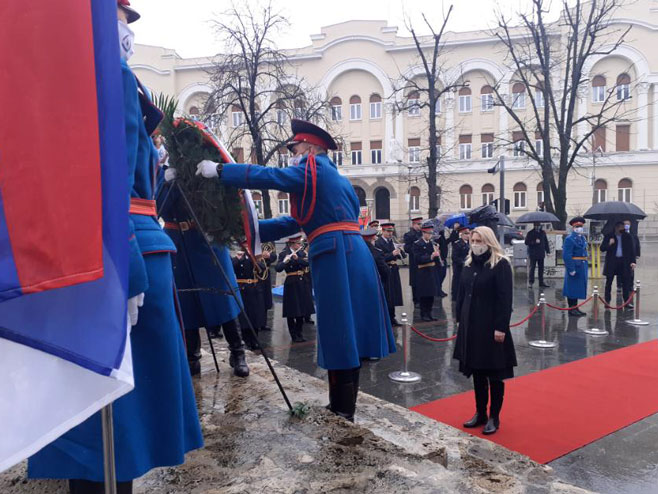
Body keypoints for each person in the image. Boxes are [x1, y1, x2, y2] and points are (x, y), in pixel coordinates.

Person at [28, 3, 203, 492]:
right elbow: (110, 183)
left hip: (87, 250)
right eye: (123, 18)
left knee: (94, 414)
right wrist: (124, 268)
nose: (128, 30)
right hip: (124, 254)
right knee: (119, 425)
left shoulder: (65, 81)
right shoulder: (114, 76)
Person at [196, 119, 395, 422]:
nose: (292, 152)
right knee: (342, 330)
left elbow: (272, 176)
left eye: (295, 147)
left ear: (312, 148)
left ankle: (343, 410)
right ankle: (340, 405)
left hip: (337, 253)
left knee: (339, 330)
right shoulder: (330, 178)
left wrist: (223, 171)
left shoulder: (315, 169)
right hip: (347, 253)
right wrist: (240, 230)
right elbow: (293, 223)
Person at [156, 170, 250, 377]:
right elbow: (158, 207)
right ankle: (192, 357)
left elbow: (224, 204)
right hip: (179, 241)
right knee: (186, 300)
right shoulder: (164, 173)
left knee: (224, 297)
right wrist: (166, 182)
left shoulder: (205, 165)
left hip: (208, 240)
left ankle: (238, 352)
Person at [454, 226, 516, 436]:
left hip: (491, 327)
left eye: (479, 241)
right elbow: (461, 294)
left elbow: (504, 299)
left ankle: (493, 416)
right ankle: (480, 412)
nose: (475, 244)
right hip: (471, 326)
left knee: (494, 374)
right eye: (473, 240)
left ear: (488, 241)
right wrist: (459, 319)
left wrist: (500, 328)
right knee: (478, 373)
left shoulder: (500, 265)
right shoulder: (469, 263)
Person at [276, 235, 315, 342]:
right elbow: (278, 269)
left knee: (302, 309)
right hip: (291, 283)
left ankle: (299, 333)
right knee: (292, 310)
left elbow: (308, 263)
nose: (300, 245)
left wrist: (297, 259)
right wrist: (285, 261)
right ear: (292, 244)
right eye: (298, 243)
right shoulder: (284, 253)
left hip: (302, 283)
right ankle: (293, 335)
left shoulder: (301, 253)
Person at [232, 247, 267, 350]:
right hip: (243, 289)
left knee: (255, 316)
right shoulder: (237, 258)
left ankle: (255, 340)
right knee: (244, 316)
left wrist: (253, 259)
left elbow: (262, 269)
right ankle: (246, 340)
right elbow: (233, 267)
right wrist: (239, 259)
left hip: (254, 289)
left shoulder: (255, 258)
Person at [600, 220, 636, 309]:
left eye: (623, 227)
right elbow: (602, 248)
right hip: (612, 262)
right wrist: (609, 243)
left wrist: (633, 261)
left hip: (624, 262)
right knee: (609, 282)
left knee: (625, 283)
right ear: (616, 227)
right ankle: (607, 301)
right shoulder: (609, 236)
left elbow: (632, 250)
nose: (622, 228)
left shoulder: (627, 237)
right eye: (620, 227)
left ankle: (626, 302)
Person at [376, 222, 406, 326]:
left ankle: (392, 317)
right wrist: (391, 254)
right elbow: (380, 258)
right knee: (387, 294)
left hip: (394, 270)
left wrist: (400, 250)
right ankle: (386, 318)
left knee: (394, 294)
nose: (390, 233)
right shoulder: (378, 243)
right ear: (383, 231)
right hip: (385, 269)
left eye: (391, 231)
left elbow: (404, 256)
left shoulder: (392, 242)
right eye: (388, 231)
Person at [413, 220, 441, 321]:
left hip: (431, 271)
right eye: (428, 233)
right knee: (424, 295)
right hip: (423, 271)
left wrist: (437, 253)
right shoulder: (417, 244)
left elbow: (437, 260)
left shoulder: (432, 244)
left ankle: (429, 313)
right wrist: (431, 256)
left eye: (431, 233)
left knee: (431, 295)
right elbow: (418, 259)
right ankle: (423, 314)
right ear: (423, 233)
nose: (430, 235)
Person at [562, 217, 588, 317]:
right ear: (573, 227)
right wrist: (571, 268)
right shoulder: (570, 239)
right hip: (574, 265)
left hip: (581, 265)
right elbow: (566, 255)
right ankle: (571, 308)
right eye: (577, 226)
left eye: (581, 226)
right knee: (572, 288)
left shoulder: (582, 238)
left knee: (577, 288)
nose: (579, 228)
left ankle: (575, 307)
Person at [403, 216, 423, 306]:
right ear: (413, 224)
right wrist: (415, 249)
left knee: (422, 279)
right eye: (418, 224)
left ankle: (421, 298)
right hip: (414, 260)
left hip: (422, 260)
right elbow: (406, 248)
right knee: (415, 280)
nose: (420, 226)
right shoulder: (409, 235)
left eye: (420, 224)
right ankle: (416, 300)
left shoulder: (421, 234)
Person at [525, 222, 551, 288]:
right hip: (533, 253)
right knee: (532, 268)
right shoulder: (530, 233)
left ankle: (541, 282)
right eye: (536, 225)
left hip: (541, 253)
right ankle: (531, 282)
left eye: (539, 225)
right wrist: (534, 242)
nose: (538, 227)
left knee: (541, 269)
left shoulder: (542, 233)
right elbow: (526, 242)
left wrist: (548, 251)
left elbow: (546, 242)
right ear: (534, 226)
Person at [257, 243, 277, 332]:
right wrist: (260, 256)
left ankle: (263, 323)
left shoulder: (269, 242)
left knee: (265, 298)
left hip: (265, 273)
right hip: (255, 272)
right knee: (256, 299)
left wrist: (269, 256)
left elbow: (274, 256)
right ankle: (255, 323)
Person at [451, 225, 471, 302]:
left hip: (467, 266)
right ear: (461, 234)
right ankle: (455, 297)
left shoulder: (470, 243)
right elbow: (455, 257)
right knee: (457, 281)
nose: (468, 235)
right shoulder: (457, 244)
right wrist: (463, 263)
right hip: (459, 267)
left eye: (469, 233)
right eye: (466, 233)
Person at [433, 229, 449, 298]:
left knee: (443, 274)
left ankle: (439, 289)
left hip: (443, 257)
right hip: (439, 258)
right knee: (439, 275)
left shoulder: (442, 235)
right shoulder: (436, 236)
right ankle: (437, 290)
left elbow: (445, 243)